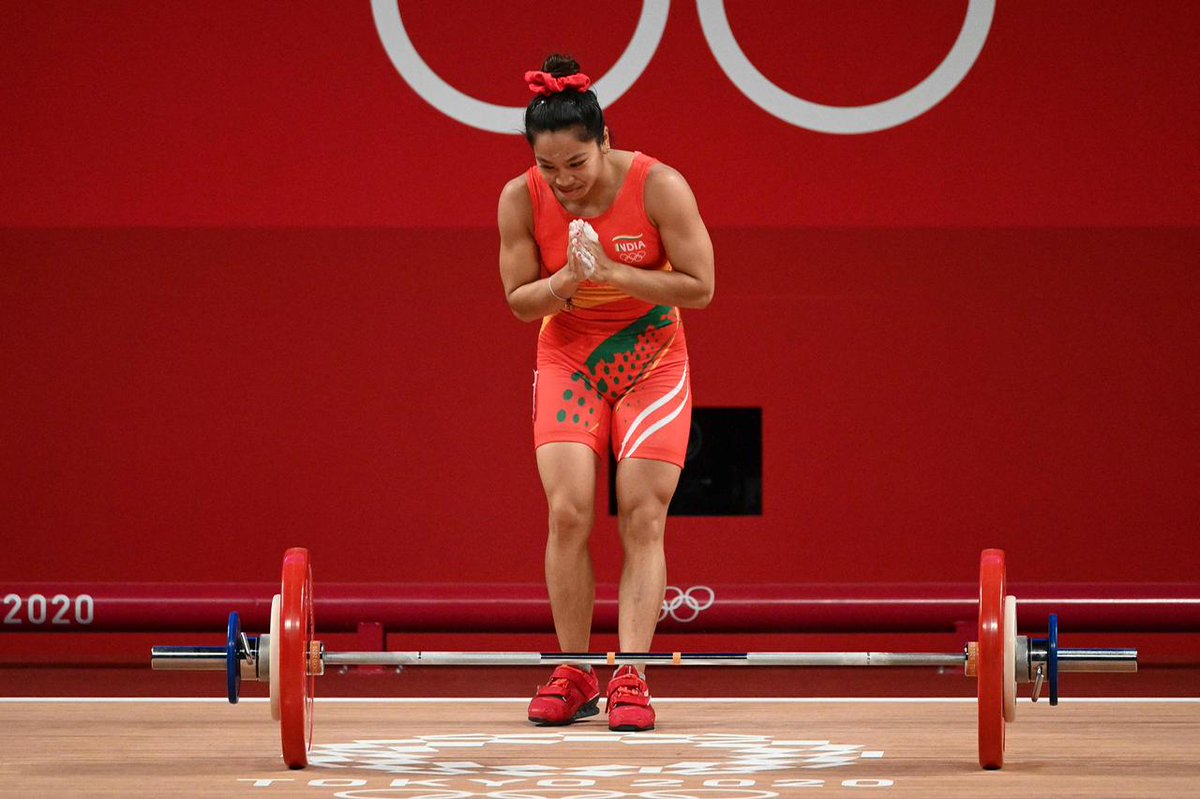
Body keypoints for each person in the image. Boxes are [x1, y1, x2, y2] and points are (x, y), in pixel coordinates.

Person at [497, 54, 715, 732]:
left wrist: (614, 271)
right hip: (570, 358)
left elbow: (701, 287)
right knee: (567, 512)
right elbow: (518, 302)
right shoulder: (519, 197)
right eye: (550, 167)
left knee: (641, 514)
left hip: (651, 357)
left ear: (605, 140)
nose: (562, 181)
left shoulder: (660, 187)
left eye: (577, 165)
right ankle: (573, 668)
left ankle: (632, 675)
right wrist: (567, 280)